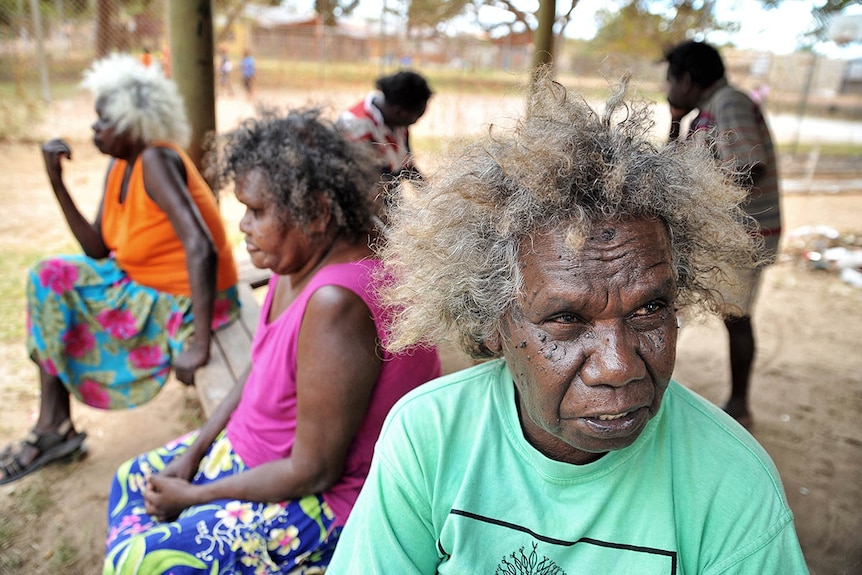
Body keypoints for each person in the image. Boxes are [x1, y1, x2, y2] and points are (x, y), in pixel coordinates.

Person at [327, 72, 807, 573]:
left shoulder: (733, 483)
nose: (619, 366)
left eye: (649, 309)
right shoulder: (429, 436)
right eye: (566, 319)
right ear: (494, 323)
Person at [103, 109, 442, 574]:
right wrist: (193, 452)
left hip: (328, 499)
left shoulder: (336, 303)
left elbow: (315, 471)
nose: (243, 225)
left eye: (257, 211)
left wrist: (198, 495)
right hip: (259, 453)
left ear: (318, 212)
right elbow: (260, 364)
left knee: (145, 559)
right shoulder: (295, 264)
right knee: (130, 481)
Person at [0, 54, 240, 486]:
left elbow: (200, 249)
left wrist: (200, 345)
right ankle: (53, 427)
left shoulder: (155, 161)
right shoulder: (121, 165)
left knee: (50, 282)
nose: (94, 129)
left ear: (136, 123)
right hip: (138, 280)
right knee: (47, 278)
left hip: (187, 299)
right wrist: (57, 184)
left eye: (103, 121)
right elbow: (96, 248)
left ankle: (50, 431)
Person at [664, 40, 782, 428]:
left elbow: (750, 167)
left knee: (735, 316)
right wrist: (675, 122)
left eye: (670, 79)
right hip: (725, 234)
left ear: (686, 78)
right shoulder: (705, 113)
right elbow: (671, 171)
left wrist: (706, 197)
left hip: (743, 236)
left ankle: (740, 405)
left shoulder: (728, 103)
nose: (667, 88)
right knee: (672, 304)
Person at [337, 70, 432, 211]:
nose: (414, 123)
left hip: (389, 199)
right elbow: (376, 182)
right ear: (400, 112)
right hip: (364, 207)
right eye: (416, 117)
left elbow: (406, 166)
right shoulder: (356, 124)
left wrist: (433, 197)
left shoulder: (397, 122)